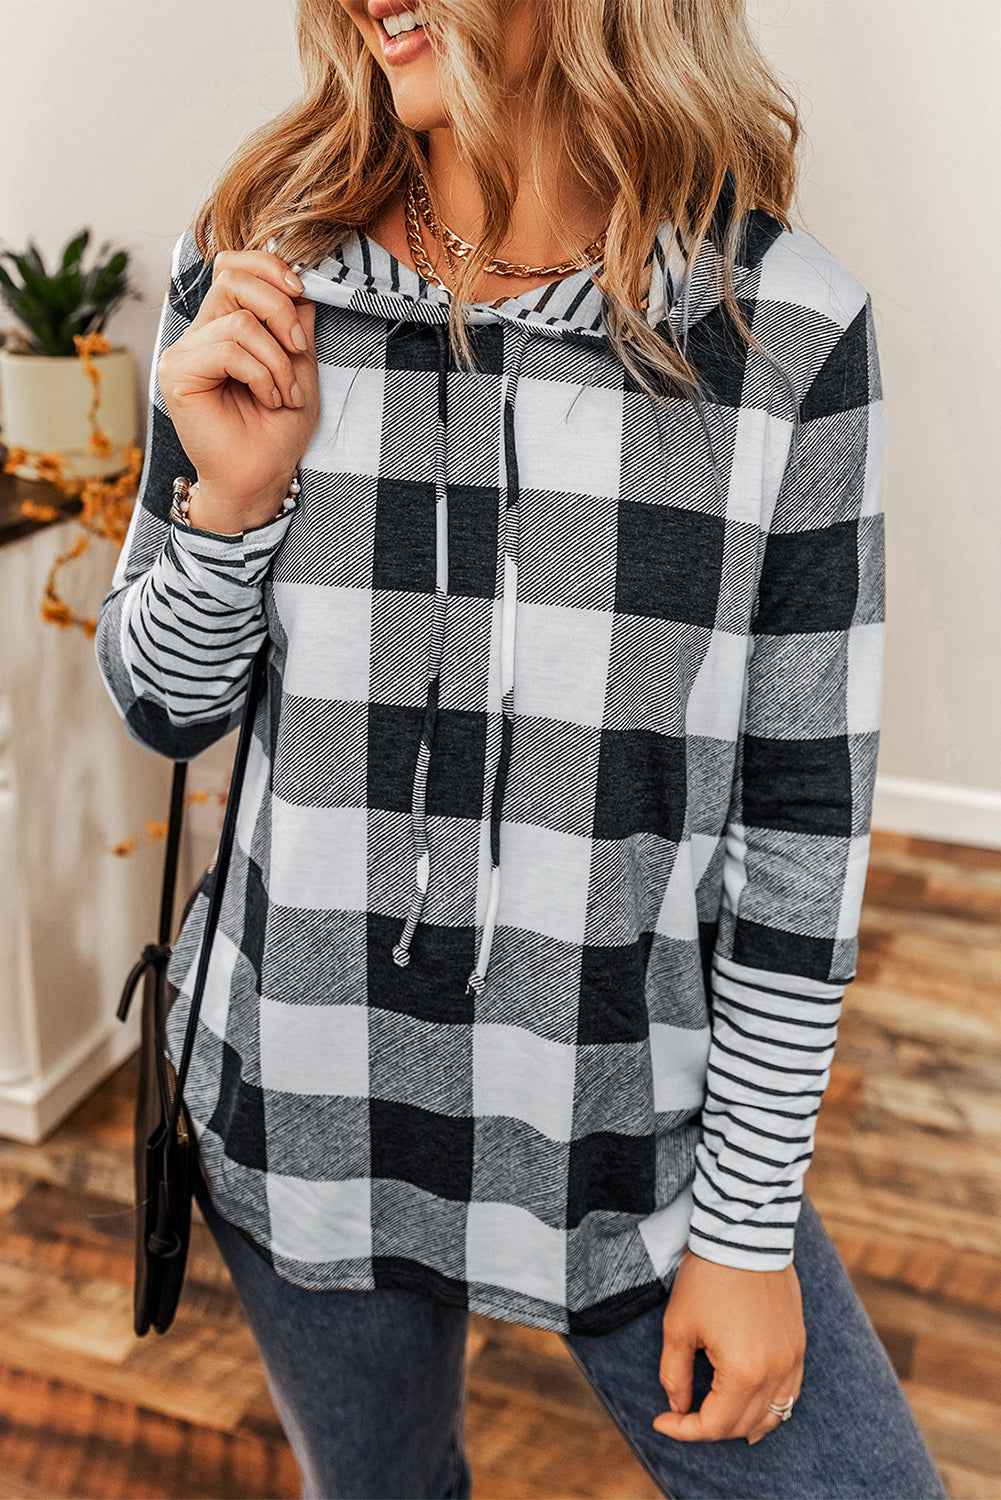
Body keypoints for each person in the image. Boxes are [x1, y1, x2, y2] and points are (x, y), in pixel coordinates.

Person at [95, 2, 949, 1496]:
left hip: (621, 1140)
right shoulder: (255, 265)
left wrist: (745, 1230)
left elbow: (800, 831)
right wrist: (227, 517)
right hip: (305, 1100)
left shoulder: (781, 332)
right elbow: (166, 706)